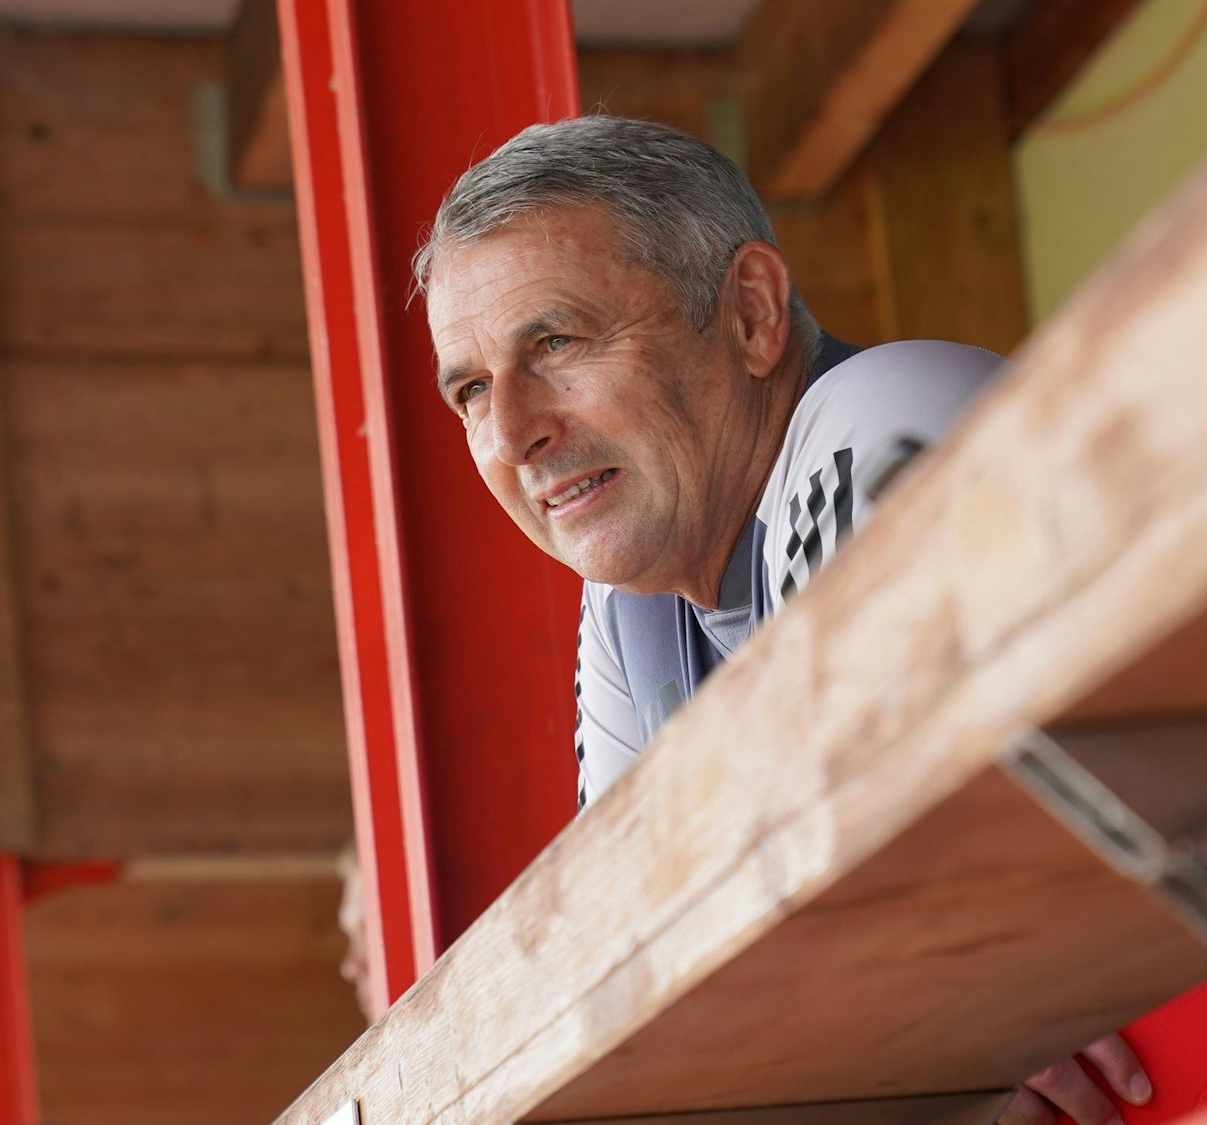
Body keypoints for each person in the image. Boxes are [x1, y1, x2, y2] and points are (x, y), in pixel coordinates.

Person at [417, 114, 1152, 1125]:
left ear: (752, 313)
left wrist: (895, 1015)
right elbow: (647, 995)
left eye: (556, 340)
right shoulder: (635, 606)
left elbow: (940, 903)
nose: (511, 430)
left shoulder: (881, 413)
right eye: (467, 389)